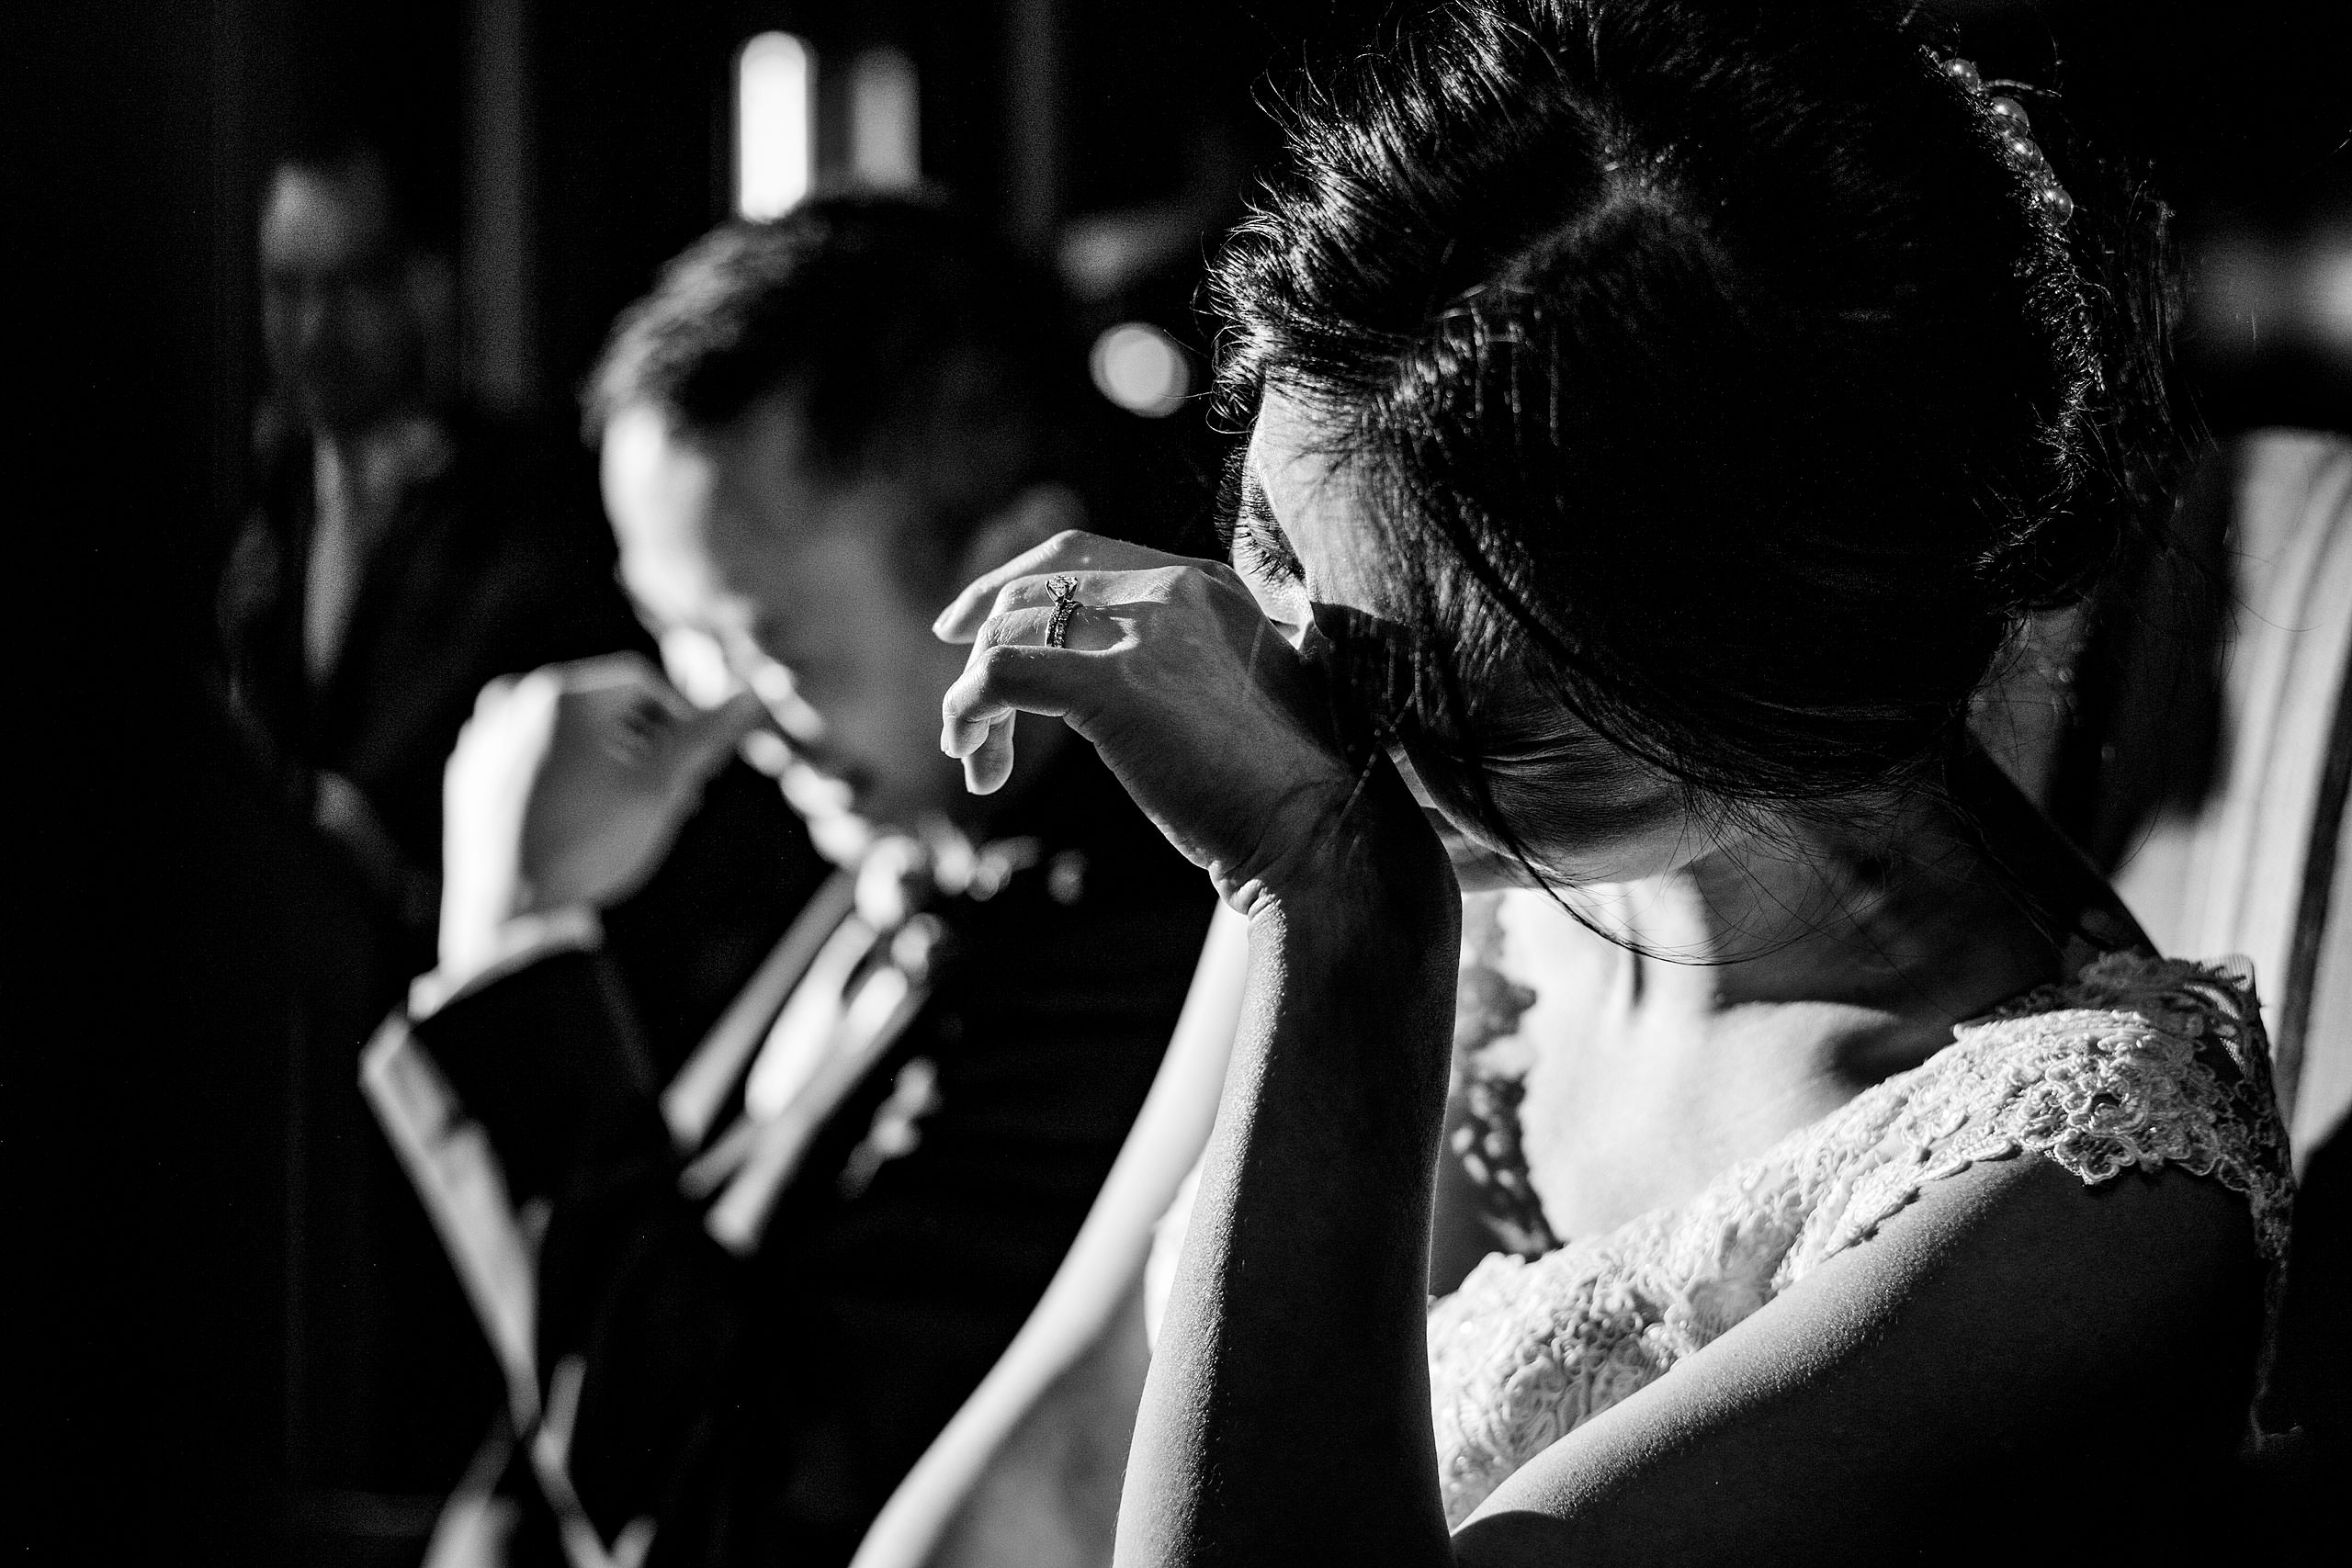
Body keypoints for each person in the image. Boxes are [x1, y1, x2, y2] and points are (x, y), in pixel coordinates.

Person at [930, 1, 2292, 1561]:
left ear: (1760, 670)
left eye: (1413, 675)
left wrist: (1341, 935)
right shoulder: (1397, 818)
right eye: (1271, 552)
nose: (1292, 693)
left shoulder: (2075, 1210)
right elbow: (1054, 1441)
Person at [367, 196, 1216, 1568]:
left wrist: (516, 947)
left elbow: (741, 1516)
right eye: (675, 637)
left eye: (775, 648)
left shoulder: (1123, 961)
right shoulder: (862, 836)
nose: (724, 724)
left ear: (1018, 573)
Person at [218, 128, 641, 937]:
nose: (313, 330)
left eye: (351, 284)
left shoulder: (534, 506)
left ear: (431, 282)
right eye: (288, 288)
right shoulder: (261, 501)